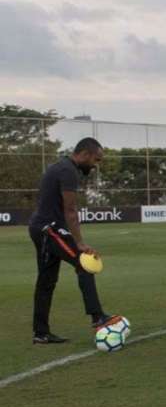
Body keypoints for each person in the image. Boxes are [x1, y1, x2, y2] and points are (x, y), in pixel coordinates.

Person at [28, 137, 119, 344]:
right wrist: (79, 242)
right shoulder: (68, 171)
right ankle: (98, 317)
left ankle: (41, 333)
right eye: (96, 160)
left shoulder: (61, 166)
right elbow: (70, 210)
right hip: (48, 229)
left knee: (46, 281)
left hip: (44, 228)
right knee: (84, 262)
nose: (96, 165)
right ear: (85, 154)